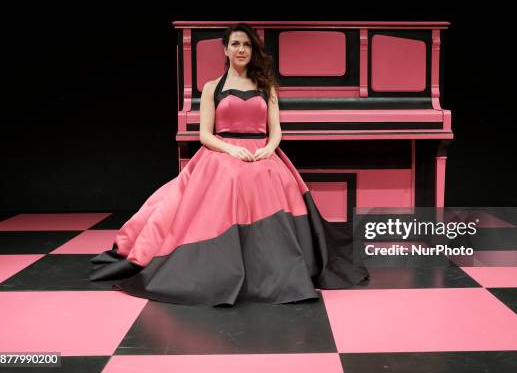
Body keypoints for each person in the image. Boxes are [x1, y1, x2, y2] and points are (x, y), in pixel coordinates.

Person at [89, 23, 369, 306]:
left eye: (247, 45)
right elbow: (204, 135)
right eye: (235, 44)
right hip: (222, 152)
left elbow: (276, 130)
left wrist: (268, 149)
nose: (241, 50)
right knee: (231, 178)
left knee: (275, 179)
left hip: (261, 152)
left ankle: (275, 268)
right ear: (225, 49)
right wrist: (232, 149)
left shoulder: (266, 86)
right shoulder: (213, 87)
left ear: (253, 50)